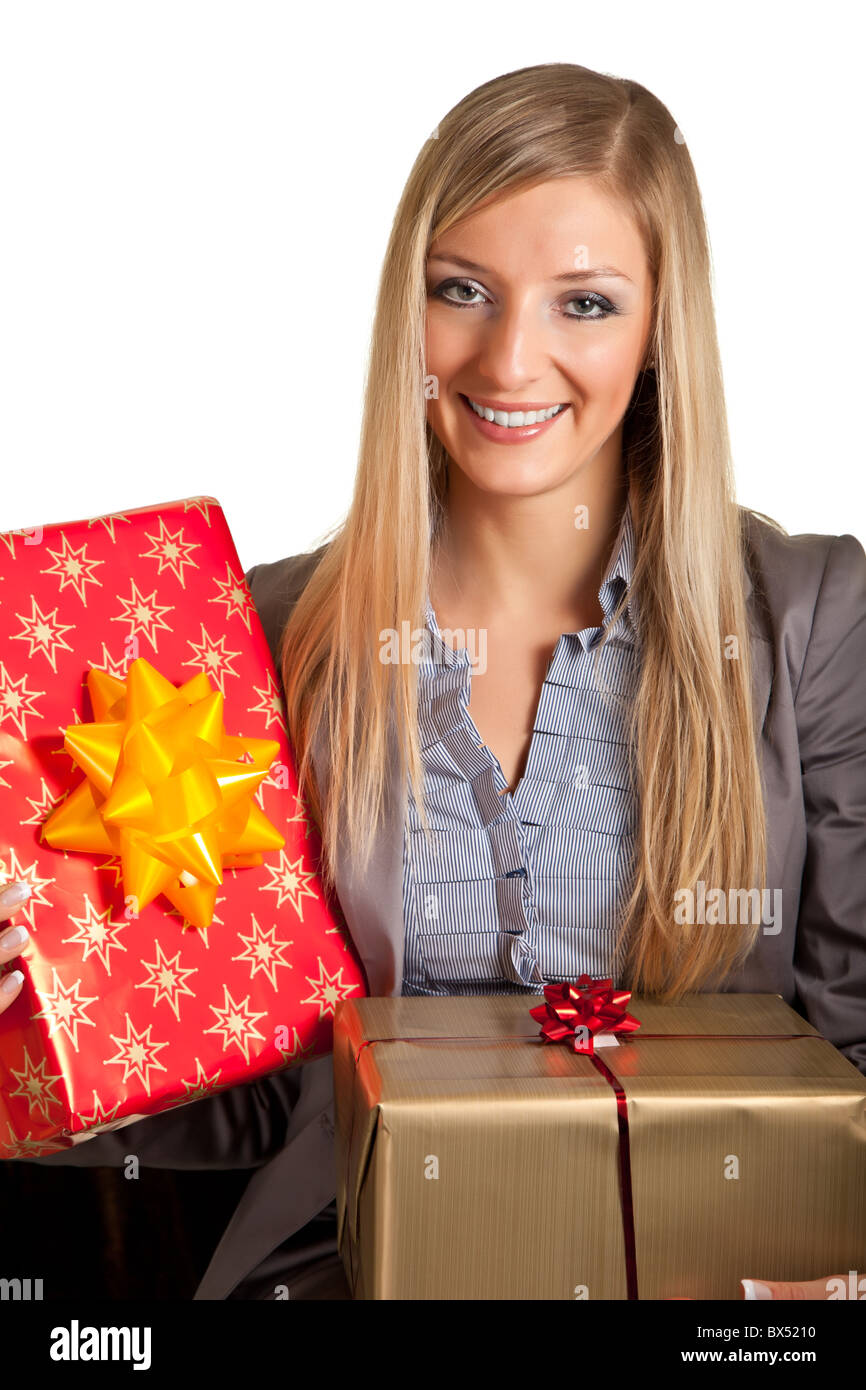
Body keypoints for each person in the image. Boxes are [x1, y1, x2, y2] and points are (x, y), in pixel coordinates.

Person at [4, 62, 864, 1302]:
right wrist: (49, 1021)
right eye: (460, 290)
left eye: (583, 302)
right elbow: (254, 1098)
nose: (509, 359)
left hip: (705, 1293)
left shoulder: (804, 620)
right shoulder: (265, 632)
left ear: (662, 326)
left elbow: (848, 1050)